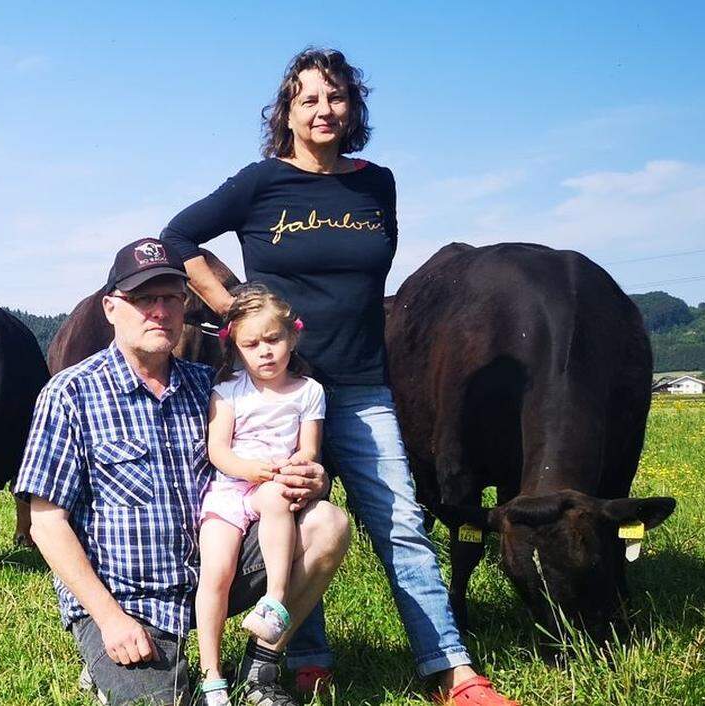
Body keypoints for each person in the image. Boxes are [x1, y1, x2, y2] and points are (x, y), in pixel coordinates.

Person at [160, 47, 518, 705]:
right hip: (280, 392)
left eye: (336, 97)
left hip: (361, 384)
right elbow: (178, 239)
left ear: (352, 107)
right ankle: (307, 660)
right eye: (308, 99)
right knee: (298, 520)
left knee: (402, 524)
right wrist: (234, 312)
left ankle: (451, 671)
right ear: (287, 113)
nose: (323, 110)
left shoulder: (374, 182)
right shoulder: (260, 182)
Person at [16, 237, 351, 706]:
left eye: (171, 297)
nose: (159, 311)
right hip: (130, 600)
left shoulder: (211, 387)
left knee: (327, 523)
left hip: (212, 570)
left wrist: (312, 479)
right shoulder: (70, 394)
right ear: (112, 308)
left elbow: (279, 456)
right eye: (143, 298)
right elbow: (46, 523)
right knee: (168, 701)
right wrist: (110, 619)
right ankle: (106, 665)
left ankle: (261, 668)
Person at [194, 284, 326, 706]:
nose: (265, 351)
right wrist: (249, 469)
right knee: (216, 570)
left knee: (273, 501)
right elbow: (218, 450)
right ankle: (211, 671)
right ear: (235, 348)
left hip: (273, 485)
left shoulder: (309, 391)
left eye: (273, 339)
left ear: (293, 337)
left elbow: (309, 447)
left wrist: (297, 467)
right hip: (231, 489)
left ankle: (275, 599)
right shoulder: (228, 390)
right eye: (252, 344)